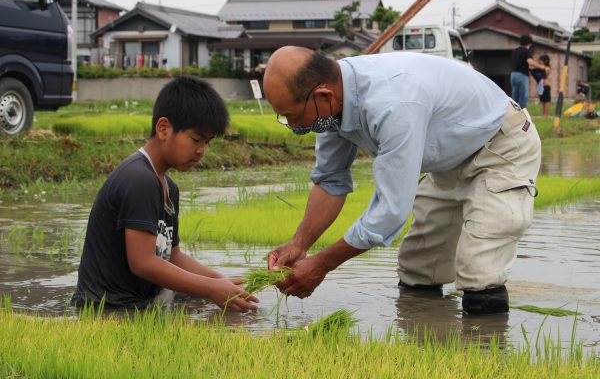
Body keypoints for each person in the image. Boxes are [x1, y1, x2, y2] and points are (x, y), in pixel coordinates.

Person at [264, 46, 541, 315]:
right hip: (448, 159)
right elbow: (330, 182)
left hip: (501, 147)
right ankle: (423, 352)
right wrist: (299, 244)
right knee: (418, 269)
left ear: (323, 95)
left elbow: (392, 210)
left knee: (479, 271)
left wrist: (321, 264)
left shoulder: (393, 103)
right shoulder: (330, 108)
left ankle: (485, 354)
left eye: (293, 117)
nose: (294, 126)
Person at [72, 76, 258, 312]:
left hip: (141, 305)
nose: (201, 151)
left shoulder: (168, 187)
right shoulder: (139, 180)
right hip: (107, 311)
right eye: (196, 139)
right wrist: (211, 289)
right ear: (163, 129)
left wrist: (222, 282)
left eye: (207, 142)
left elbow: (173, 256)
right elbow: (142, 262)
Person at [510, 34, 546, 109]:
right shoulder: (526, 51)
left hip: (513, 75)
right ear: (529, 43)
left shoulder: (515, 51)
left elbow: (524, 64)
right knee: (524, 96)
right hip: (522, 75)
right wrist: (540, 66)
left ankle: (513, 112)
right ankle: (523, 113)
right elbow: (530, 62)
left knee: (515, 96)